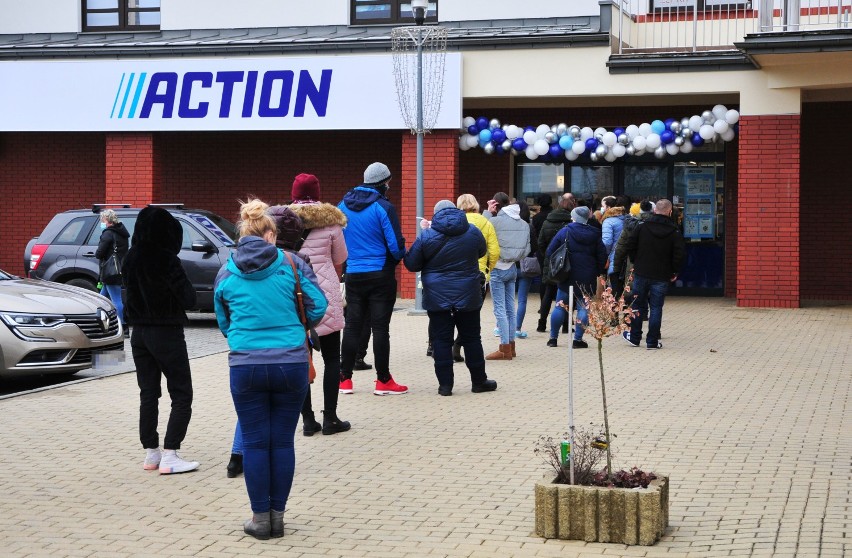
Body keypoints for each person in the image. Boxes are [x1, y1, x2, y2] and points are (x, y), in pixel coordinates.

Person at [214, 199, 327, 540]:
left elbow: (223, 320)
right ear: (269, 235)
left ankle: (259, 519)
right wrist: (296, 326)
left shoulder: (226, 270)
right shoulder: (291, 263)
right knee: (282, 442)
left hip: (245, 365)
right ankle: (278, 517)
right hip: (290, 363)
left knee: (253, 441)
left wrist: (241, 337)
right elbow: (319, 305)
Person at [123, 206, 199, 475]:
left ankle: (151, 453)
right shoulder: (167, 260)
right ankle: (170, 453)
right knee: (181, 392)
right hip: (166, 332)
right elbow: (189, 298)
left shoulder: (130, 258)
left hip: (138, 333)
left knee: (148, 393)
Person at [404, 200, 497, 396]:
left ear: (435, 215)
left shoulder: (427, 236)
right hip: (468, 293)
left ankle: (445, 386)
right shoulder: (472, 231)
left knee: (441, 340)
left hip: (437, 296)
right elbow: (481, 251)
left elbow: (411, 264)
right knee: (472, 338)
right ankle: (479, 381)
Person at [288, 174, 351, 435]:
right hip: (324, 293)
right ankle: (331, 418)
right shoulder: (331, 223)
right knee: (332, 358)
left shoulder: (283, 221)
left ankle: (307, 420)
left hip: (294, 293)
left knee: (303, 357)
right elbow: (341, 258)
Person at [338, 162, 407, 395]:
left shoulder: (343, 205)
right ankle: (383, 380)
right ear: (384, 182)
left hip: (354, 274)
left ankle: (344, 379)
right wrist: (396, 258)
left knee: (352, 327)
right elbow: (396, 247)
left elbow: (339, 241)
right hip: (380, 275)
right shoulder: (383, 207)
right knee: (380, 328)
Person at [621, 199, 685, 350]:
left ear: (655, 210)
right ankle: (652, 341)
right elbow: (679, 254)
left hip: (642, 271)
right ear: (669, 212)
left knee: (637, 305)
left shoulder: (642, 227)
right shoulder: (674, 231)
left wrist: (635, 261)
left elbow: (630, 245)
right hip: (662, 275)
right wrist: (674, 270)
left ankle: (635, 337)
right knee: (656, 307)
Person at [544, 206, 606, 348]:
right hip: (587, 276)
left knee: (560, 306)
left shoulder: (565, 231)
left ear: (574, 217)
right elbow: (602, 256)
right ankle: (577, 340)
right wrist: (597, 270)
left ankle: (553, 339)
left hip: (567, 274)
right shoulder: (595, 234)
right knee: (584, 307)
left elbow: (549, 251)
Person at [455, 194, 499, 362]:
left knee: (455, 312)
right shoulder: (485, 223)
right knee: (473, 314)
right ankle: (459, 345)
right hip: (478, 274)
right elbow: (494, 251)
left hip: (456, 272)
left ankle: (453, 346)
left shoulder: (455, 223)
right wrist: (488, 269)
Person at [486, 194, 529, 360]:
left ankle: (504, 348)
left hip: (497, 267)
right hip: (512, 267)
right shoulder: (524, 224)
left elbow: (482, 233)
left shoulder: (494, 221)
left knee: (499, 309)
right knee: (510, 308)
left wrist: (488, 212)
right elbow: (527, 248)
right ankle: (511, 346)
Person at [536, 193, 576, 333]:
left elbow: (540, 242)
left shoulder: (548, 221)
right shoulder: (572, 224)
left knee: (548, 292)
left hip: (551, 261)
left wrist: (548, 255)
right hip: (568, 262)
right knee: (567, 293)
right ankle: (566, 325)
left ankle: (542, 324)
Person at [94, 209, 130, 336]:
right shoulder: (123, 233)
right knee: (101, 299)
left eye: (102, 220)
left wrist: (98, 252)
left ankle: (124, 327)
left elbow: (100, 253)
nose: (101, 223)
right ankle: (100, 324)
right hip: (118, 270)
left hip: (110, 272)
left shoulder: (108, 234)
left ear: (108, 221)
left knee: (116, 300)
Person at [612, 199, 656, 297]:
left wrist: (616, 268)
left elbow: (621, 248)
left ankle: (631, 311)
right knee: (653, 298)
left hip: (633, 264)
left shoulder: (630, 225)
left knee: (632, 294)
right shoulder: (658, 224)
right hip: (655, 266)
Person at [514, 200, 539, 338]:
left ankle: (501, 327)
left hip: (510, 265)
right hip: (526, 266)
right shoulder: (529, 227)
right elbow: (535, 246)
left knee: (508, 298)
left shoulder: (508, 226)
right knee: (522, 299)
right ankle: (517, 329)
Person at [600, 195, 629, 299]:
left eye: (603, 206)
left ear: (608, 207)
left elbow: (607, 242)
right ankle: (626, 313)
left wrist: (604, 256)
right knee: (626, 288)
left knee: (614, 289)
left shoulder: (608, 221)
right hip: (628, 259)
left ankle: (614, 314)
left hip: (614, 258)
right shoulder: (627, 218)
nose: (602, 208)